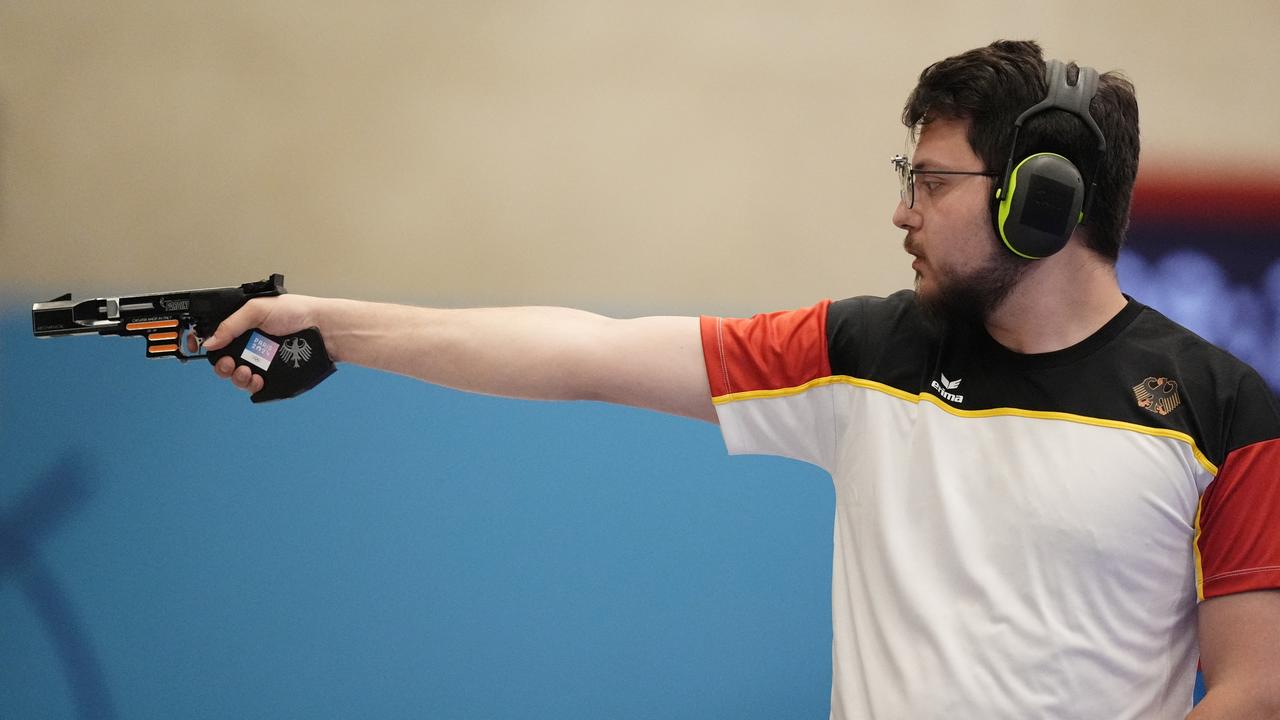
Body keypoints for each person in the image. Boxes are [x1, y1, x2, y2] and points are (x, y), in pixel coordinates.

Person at [201, 41, 1280, 719]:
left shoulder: (1224, 412)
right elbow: (584, 354)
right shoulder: (864, 352)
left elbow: (1252, 687)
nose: (902, 212)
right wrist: (333, 326)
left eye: (932, 182)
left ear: (1037, 201)